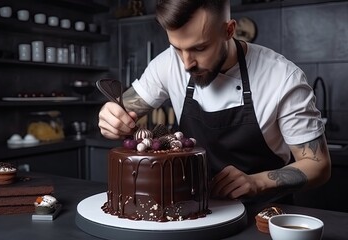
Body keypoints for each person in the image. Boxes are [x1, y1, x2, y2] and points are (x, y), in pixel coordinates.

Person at [98, 0, 331, 203]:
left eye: (199, 48)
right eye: (177, 48)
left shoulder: (282, 77)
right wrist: (111, 115)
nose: (187, 63)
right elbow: (123, 107)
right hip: (192, 207)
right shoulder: (168, 64)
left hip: (266, 212)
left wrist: (256, 183)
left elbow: (318, 165)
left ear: (229, 30)